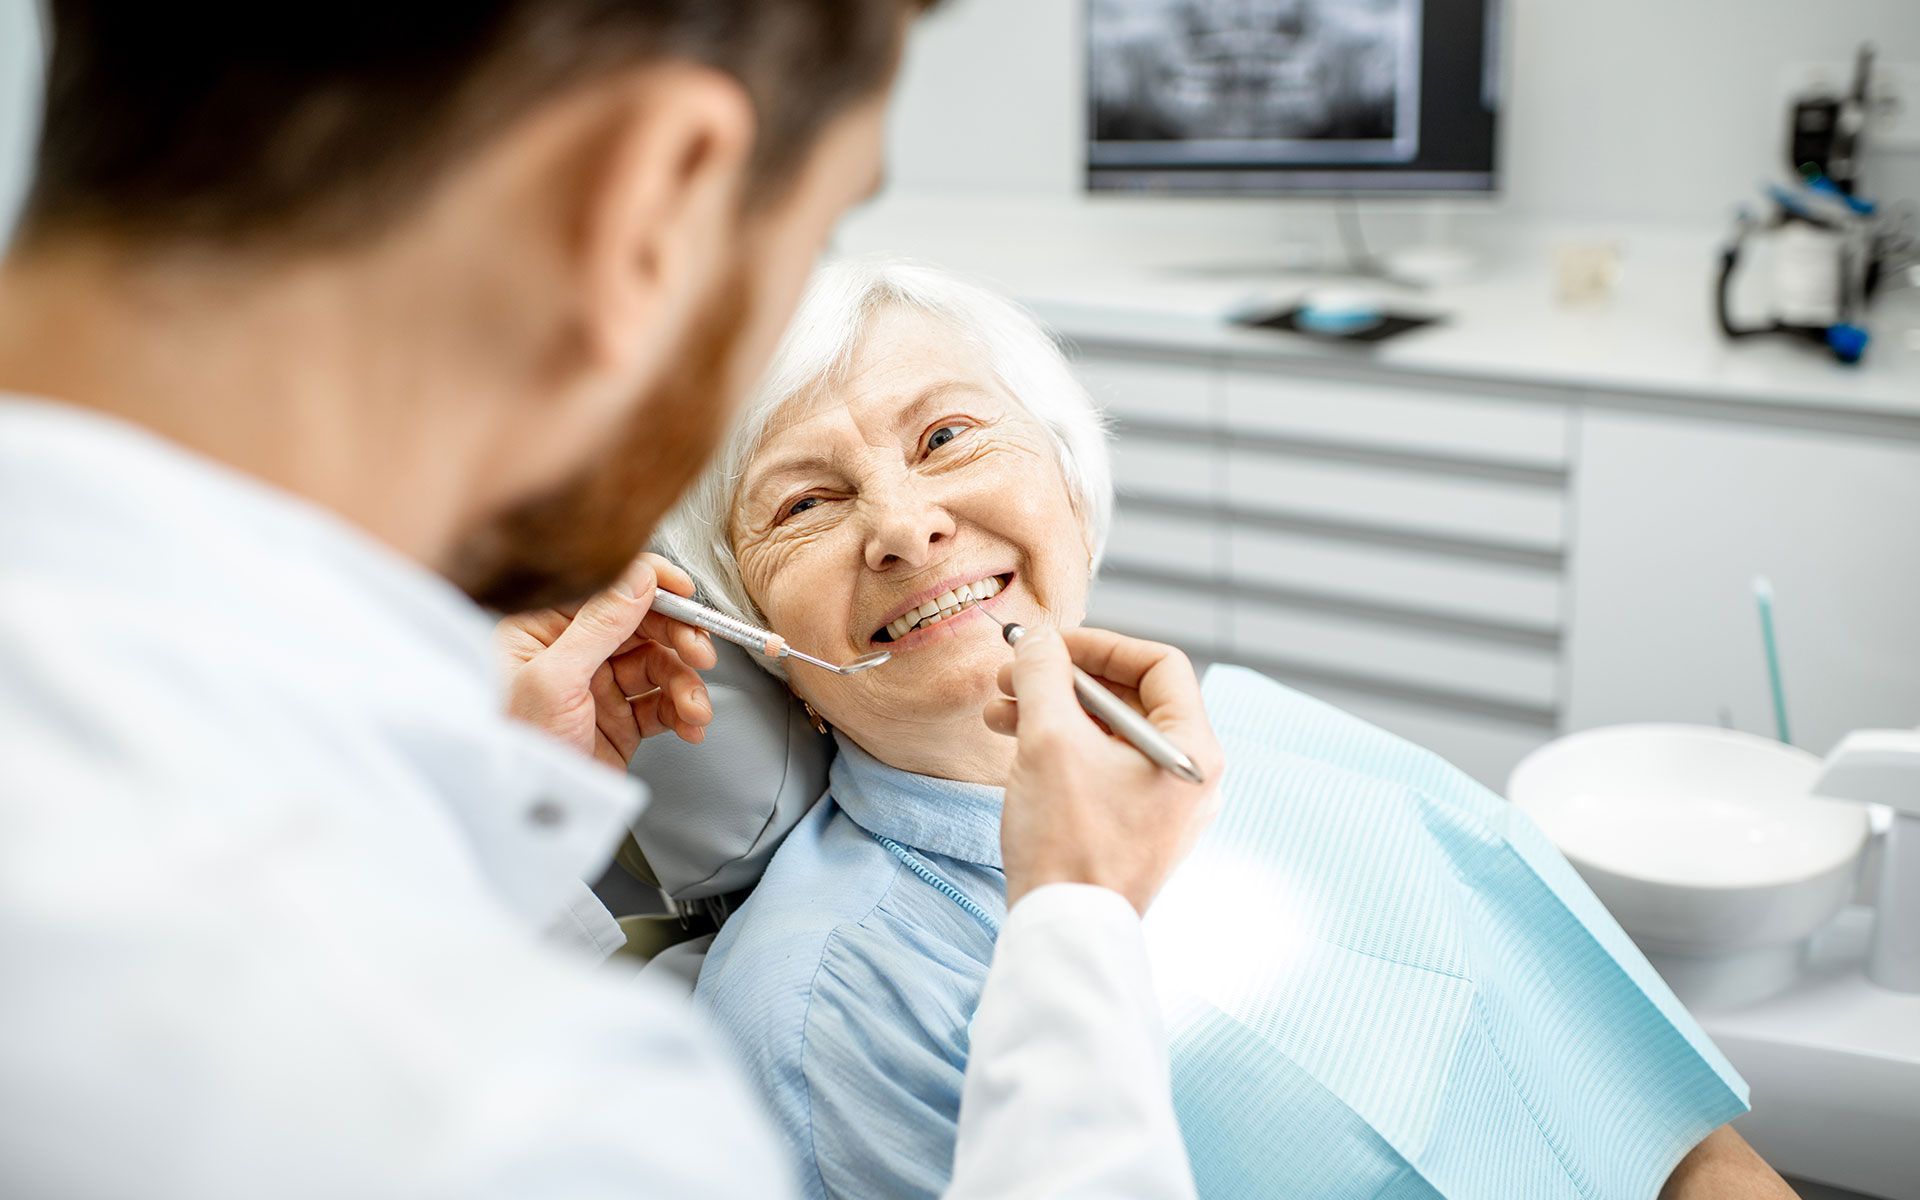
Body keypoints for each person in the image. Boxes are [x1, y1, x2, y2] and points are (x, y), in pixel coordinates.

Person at [0, 6, 1217, 1197]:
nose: (903, 526)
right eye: (821, 228)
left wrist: (479, 824)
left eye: (948, 434)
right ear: (654, 197)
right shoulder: (537, 1116)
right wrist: (1076, 925)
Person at [663, 258, 1801, 1200]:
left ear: (1065, 475)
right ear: (761, 633)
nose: (906, 526)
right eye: (804, 504)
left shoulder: (1276, 733)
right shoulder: (820, 1006)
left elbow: (1679, 1140)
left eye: (948, 437)